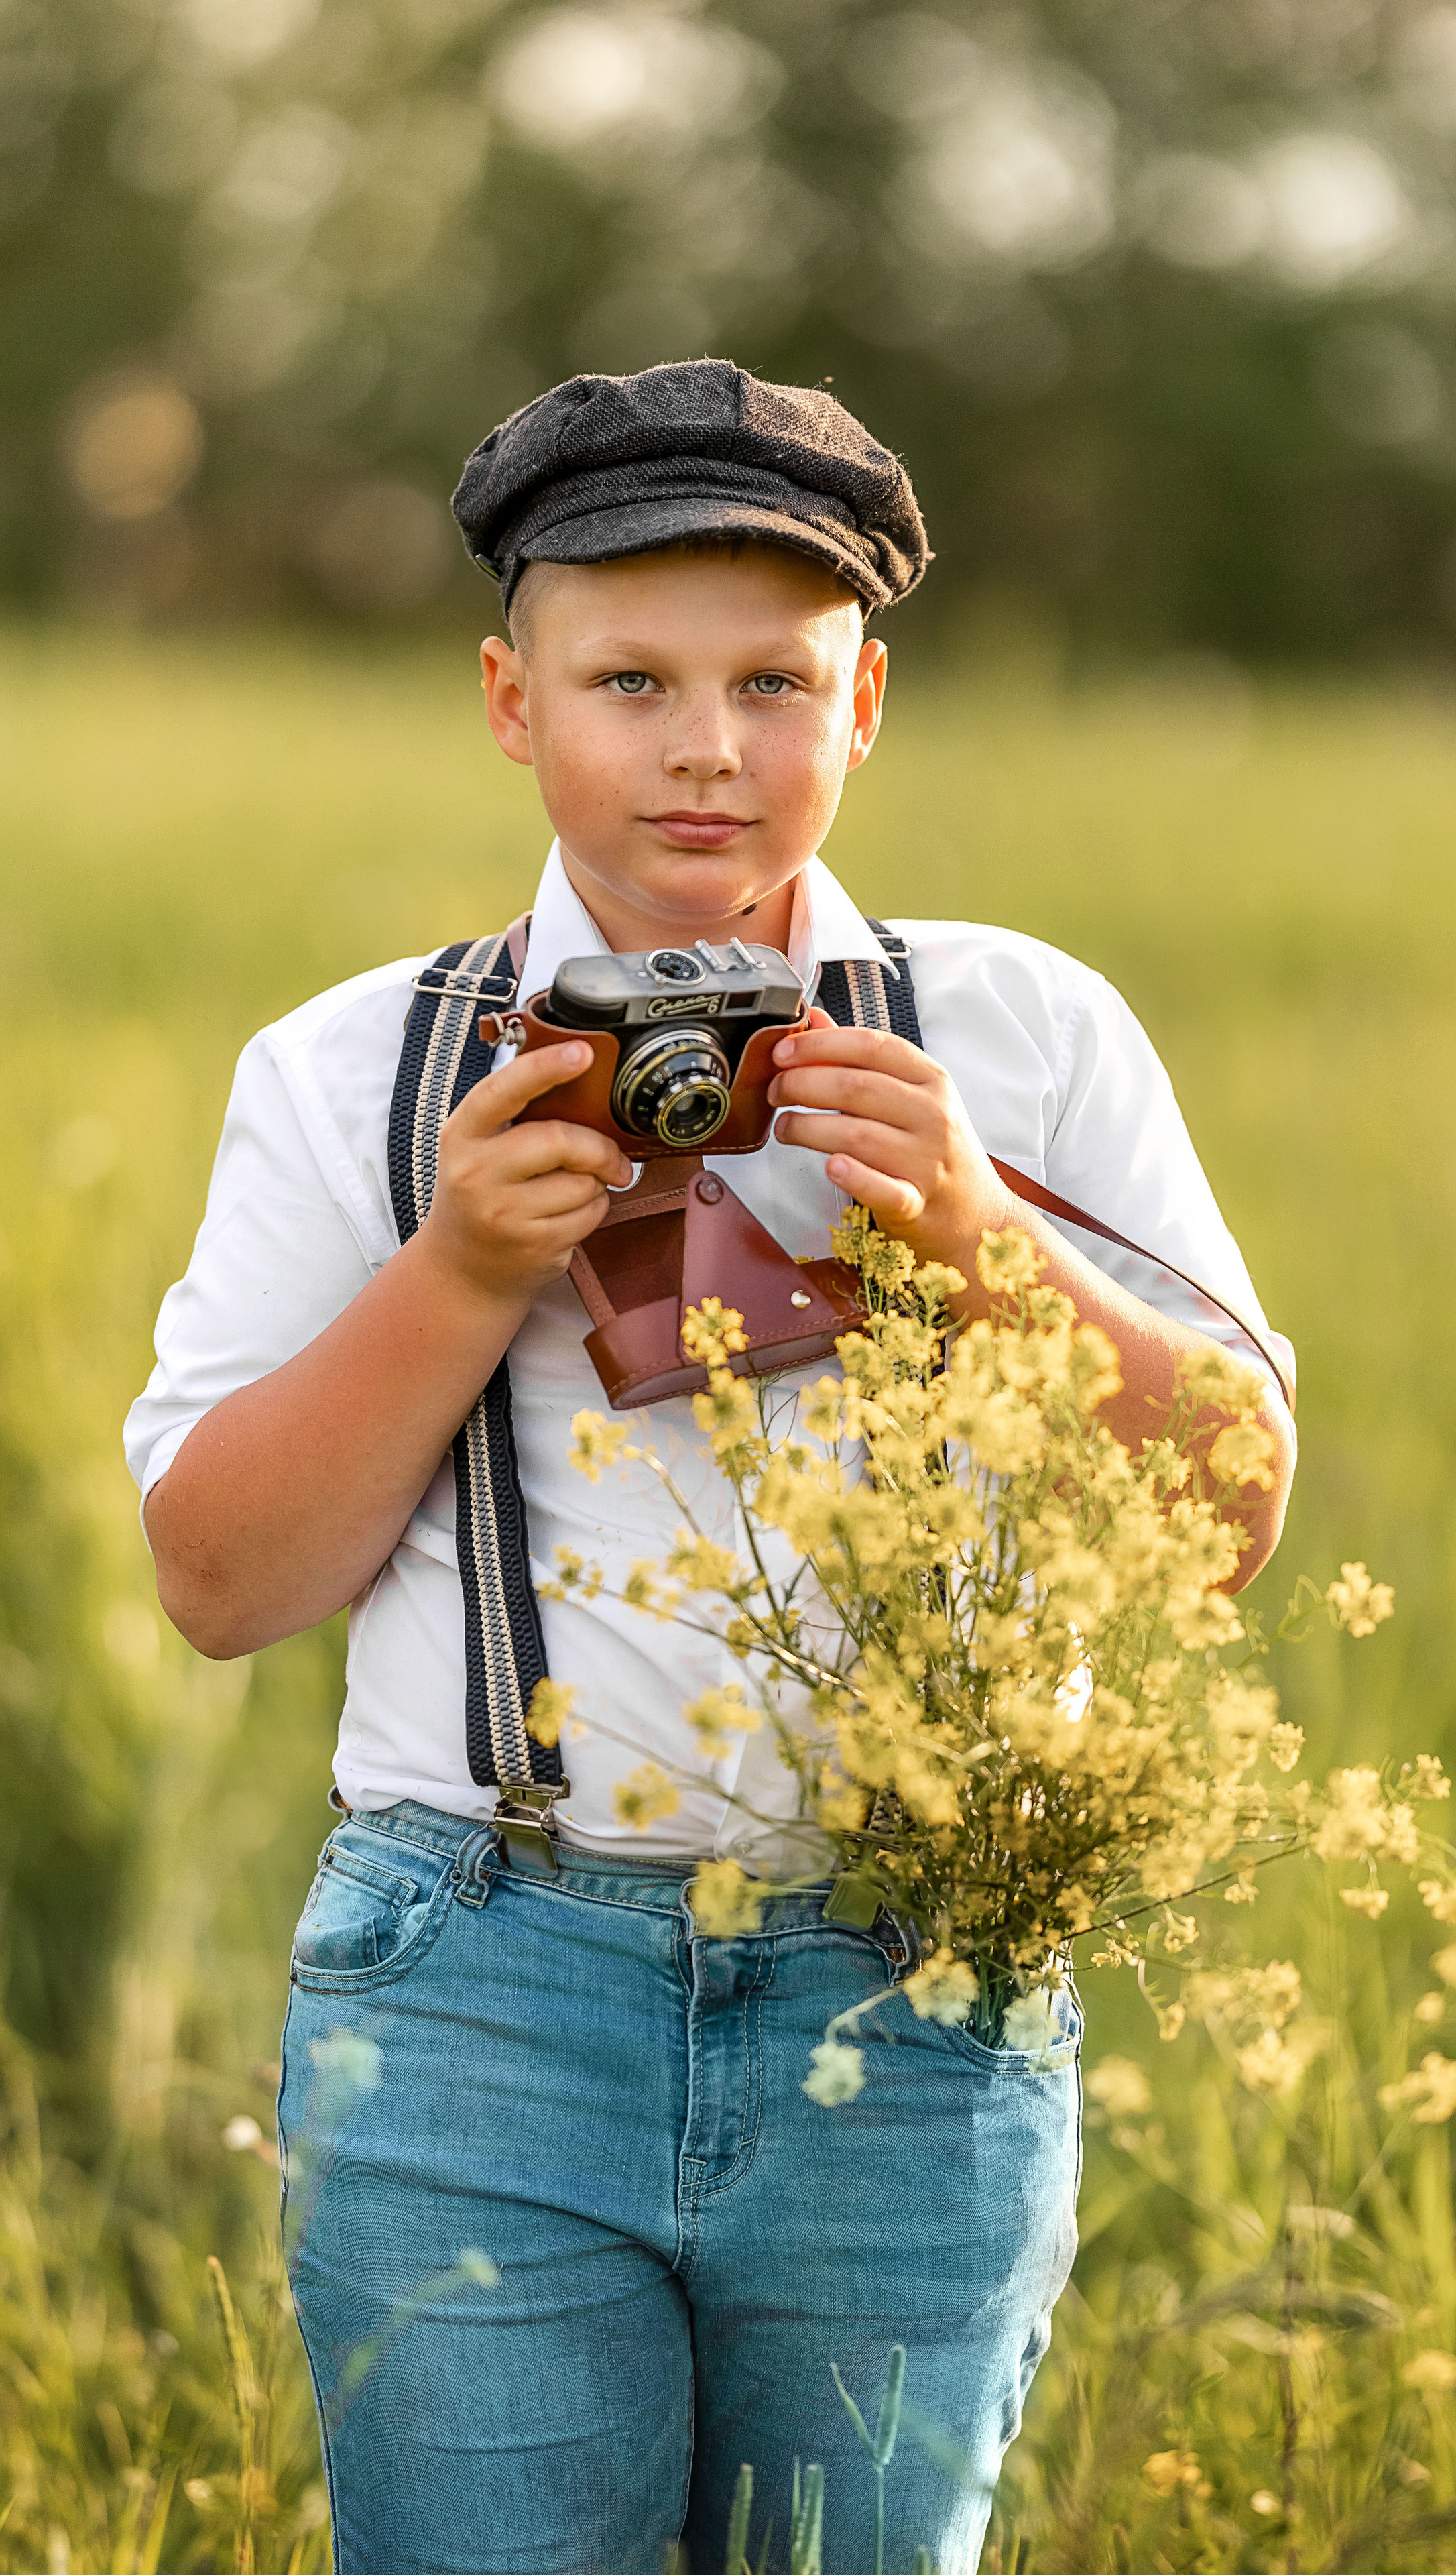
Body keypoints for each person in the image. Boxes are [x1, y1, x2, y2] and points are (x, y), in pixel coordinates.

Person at [125, 359, 1296, 2575]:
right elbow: (216, 1582)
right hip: (477, 1980)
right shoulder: (352, 1073)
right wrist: (460, 1271)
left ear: (871, 707)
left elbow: (1232, 1513)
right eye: (631, 677)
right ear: (509, 697)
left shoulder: (1023, 1036)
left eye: (777, 680)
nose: (704, 746)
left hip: (915, 1981)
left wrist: (983, 1239)